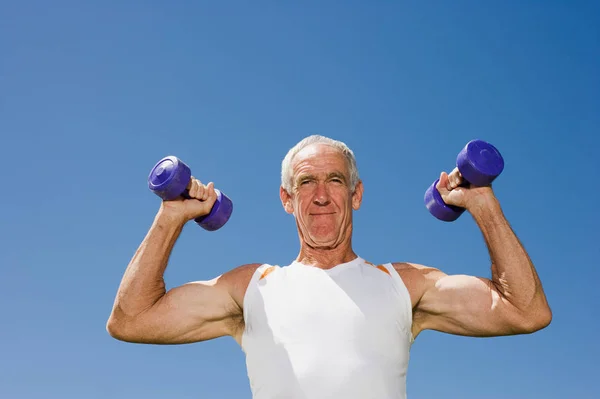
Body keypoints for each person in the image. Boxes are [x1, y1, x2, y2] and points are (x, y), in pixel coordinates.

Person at [106, 135, 552, 399]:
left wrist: (482, 204)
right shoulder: (252, 289)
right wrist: (171, 216)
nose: (320, 195)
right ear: (287, 200)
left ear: (355, 195)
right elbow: (131, 319)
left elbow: (525, 311)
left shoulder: (404, 285)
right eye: (305, 182)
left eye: (334, 180)